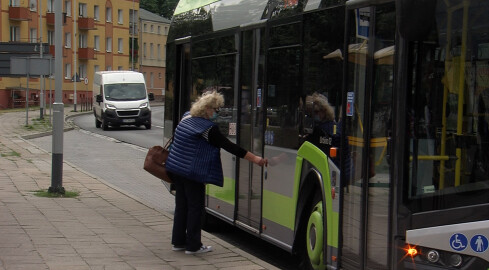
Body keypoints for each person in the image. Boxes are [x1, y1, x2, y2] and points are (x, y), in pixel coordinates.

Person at [165, 91, 268, 254]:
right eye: (215, 110)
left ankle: (178, 242)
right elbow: (230, 146)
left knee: (182, 207)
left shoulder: (186, 118)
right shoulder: (208, 129)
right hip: (192, 173)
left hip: (176, 169)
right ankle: (193, 245)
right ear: (206, 108)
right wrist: (255, 159)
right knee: (195, 208)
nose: (216, 113)